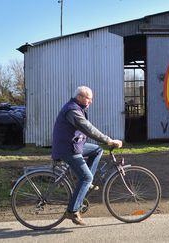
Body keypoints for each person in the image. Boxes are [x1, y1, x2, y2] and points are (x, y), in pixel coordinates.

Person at [51, 86, 123, 226]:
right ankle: (72, 210)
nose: (90, 102)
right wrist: (109, 140)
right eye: (89, 99)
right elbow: (88, 129)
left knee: (97, 150)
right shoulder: (72, 110)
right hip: (67, 149)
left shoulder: (76, 108)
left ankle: (86, 184)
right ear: (80, 97)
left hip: (73, 145)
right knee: (86, 176)